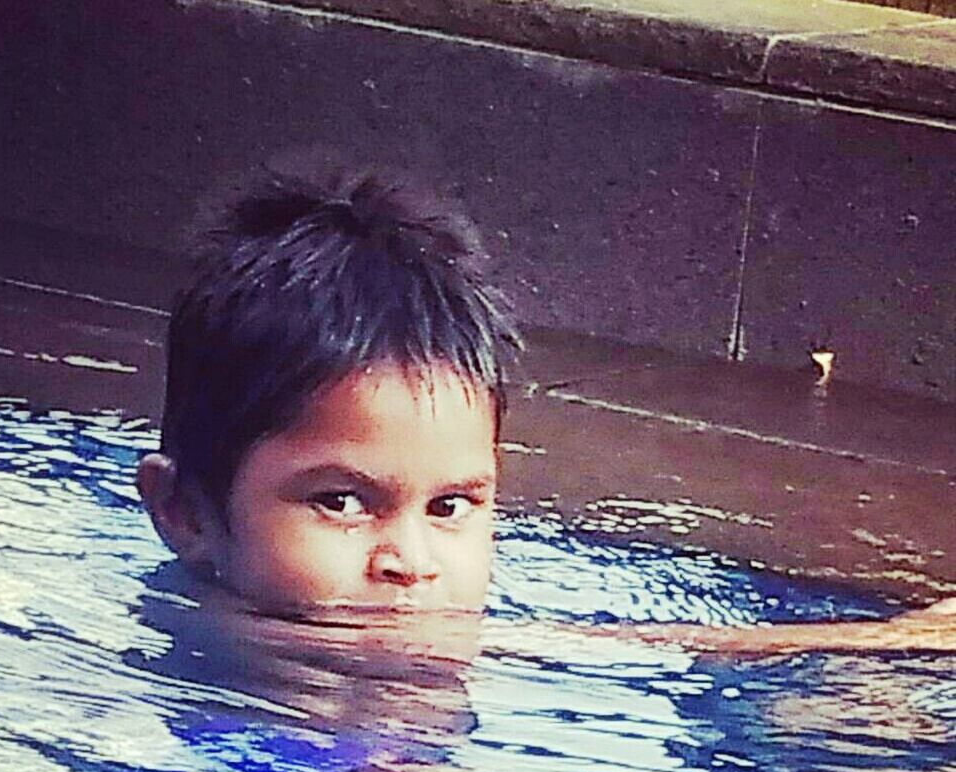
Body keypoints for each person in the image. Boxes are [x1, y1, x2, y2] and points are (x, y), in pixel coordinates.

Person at [137, 170, 956, 656]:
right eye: (341, 501)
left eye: (451, 506)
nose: (412, 562)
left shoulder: (426, 631)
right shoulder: (208, 652)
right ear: (184, 510)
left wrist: (883, 642)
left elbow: (637, 646)